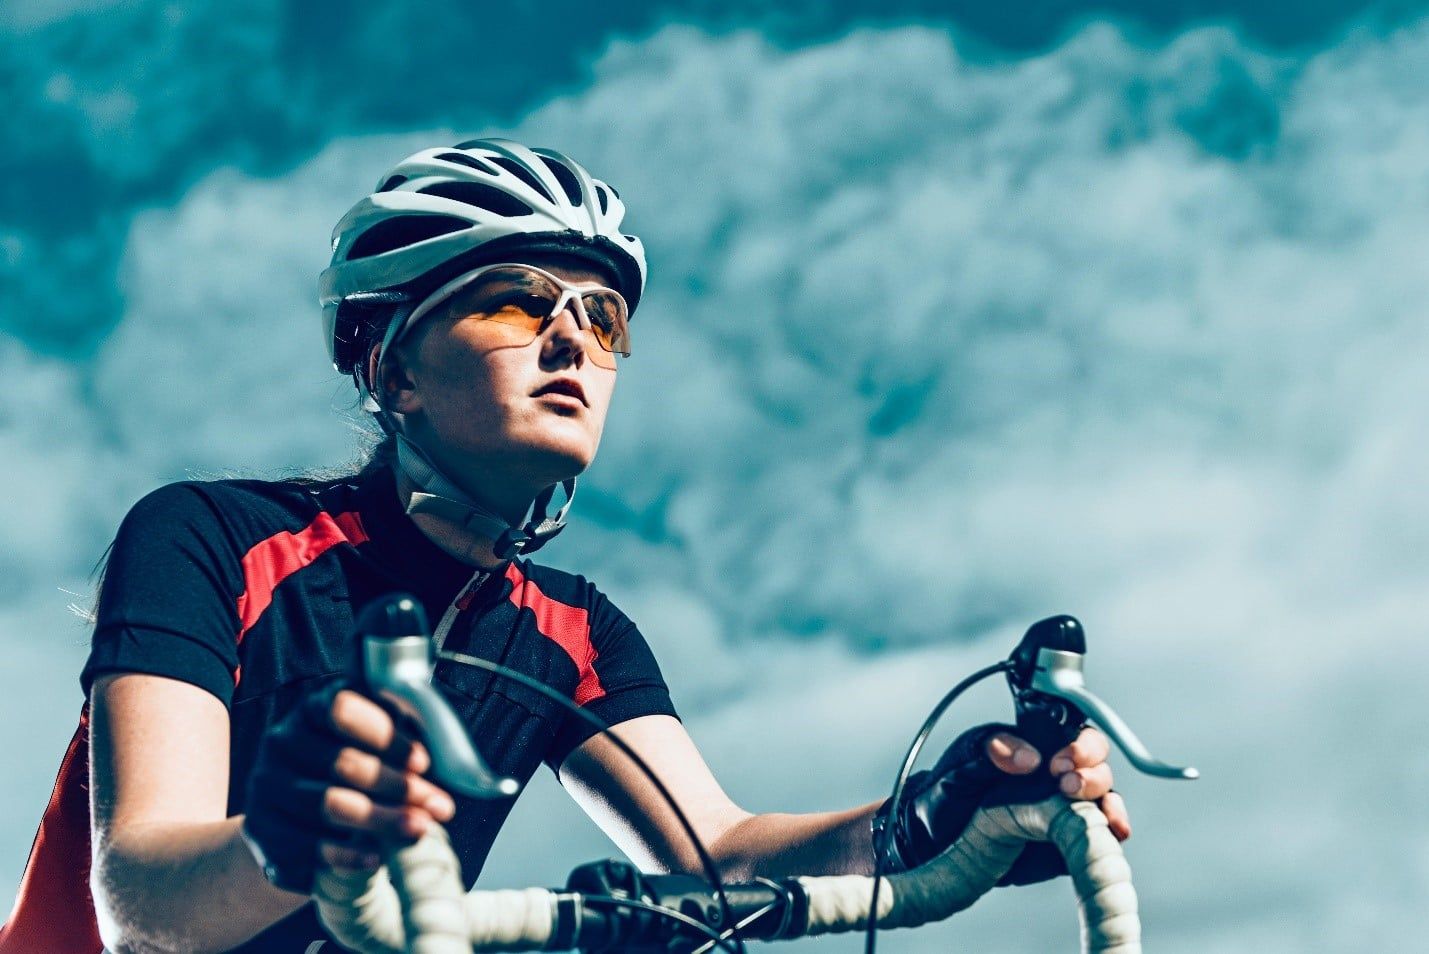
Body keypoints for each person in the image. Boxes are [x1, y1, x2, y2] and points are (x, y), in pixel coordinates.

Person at [0, 139, 1129, 953]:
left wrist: (931, 820)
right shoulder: (211, 536)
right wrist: (291, 833)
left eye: (602, 318)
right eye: (513, 300)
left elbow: (716, 854)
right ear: (394, 371)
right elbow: (138, 905)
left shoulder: (573, 632)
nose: (570, 340)